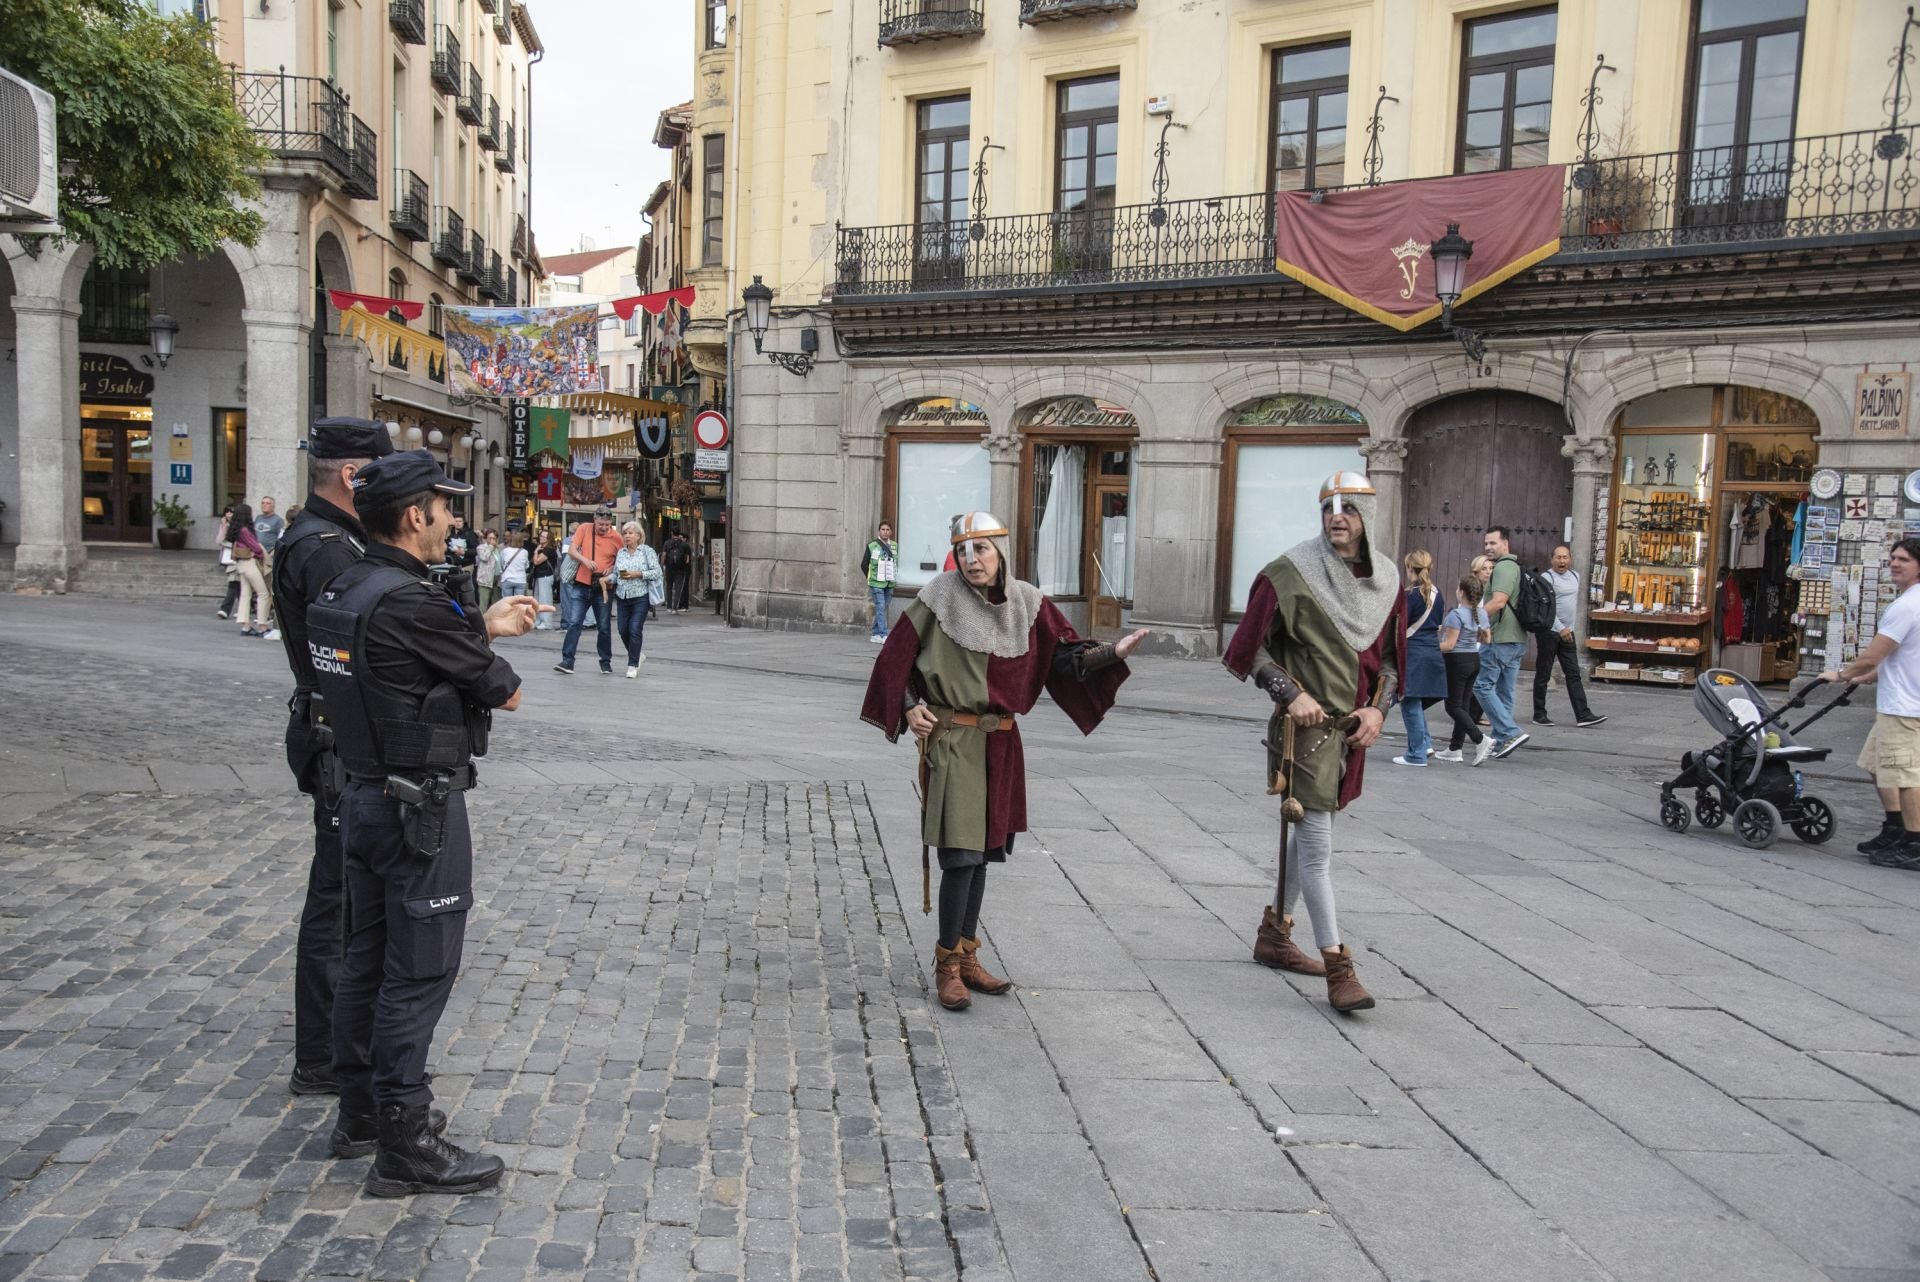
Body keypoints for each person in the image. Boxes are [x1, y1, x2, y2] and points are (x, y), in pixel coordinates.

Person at [307, 449, 546, 1196]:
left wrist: (477, 623)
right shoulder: (414, 601)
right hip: (420, 813)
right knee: (419, 971)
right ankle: (405, 1142)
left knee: (366, 957)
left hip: (364, 797)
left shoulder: (348, 584)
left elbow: (399, 657)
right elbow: (502, 692)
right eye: (443, 509)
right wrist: (484, 638)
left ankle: (362, 1114)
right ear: (415, 517)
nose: (451, 520)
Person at [861, 512, 1143, 1011]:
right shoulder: (937, 597)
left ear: (1001, 552)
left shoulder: (1029, 602)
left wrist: (1112, 652)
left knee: (985, 852)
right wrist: (909, 704)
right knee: (961, 855)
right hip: (953, 740)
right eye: (964, 550)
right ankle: (947, 964)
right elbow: (895, 659)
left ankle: (968, 955)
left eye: (982, 549)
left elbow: (1067, 660)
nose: (973, 560)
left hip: (1002, 743)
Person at [1223, 471, 1401, 1013]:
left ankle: (1274, 936)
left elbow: (1392, 661)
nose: (1337, 517)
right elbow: (1246, 650)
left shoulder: (1388, 581)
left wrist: (1379, 706)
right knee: (1319, 847)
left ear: (1368, 517)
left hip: (1352, 732)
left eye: (1348, 509)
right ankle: (1338, 968)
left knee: (1307, 833)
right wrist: (1289, 691)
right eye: (1329, 508)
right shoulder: (1287, 573)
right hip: (1306, 734)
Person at [269, 417, 394, 1099]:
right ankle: (322, 1054)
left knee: (347, 900)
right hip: (337, 738)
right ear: (353, 475)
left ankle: (337, 1044)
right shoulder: (324, 548)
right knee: (337, 903)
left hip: (335, 734)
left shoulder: (332, 539)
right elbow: (358, 650)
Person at [1826, 537, 1920, 867]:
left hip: (1904, 707)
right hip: (1902, 700)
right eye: (1893, 558)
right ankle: (1895, 826)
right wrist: (1869, 676)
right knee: (1878, 766)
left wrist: (1841, 674)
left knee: (1905, 776)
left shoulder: (1906, 606)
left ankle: (1914, 843)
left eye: (1904, 559)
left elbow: (1873, 655)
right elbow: (1904, 657)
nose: (1895, 564)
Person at [1533, 543, 1606, 729]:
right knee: (1544, 673)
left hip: (1568, 633)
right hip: (1549, 632)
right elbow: (1545, 608)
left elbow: (1571, 604)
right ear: (1552, 560)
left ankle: (1583, 714)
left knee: (1573, 673)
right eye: (1558, 557)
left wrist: (1569, 628)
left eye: (1565, 557)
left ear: (1570, 560)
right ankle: (1539, 714)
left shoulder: (1575, 576)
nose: (1562, 561)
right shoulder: (1546, 578)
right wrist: (1559, 627)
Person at [1474, 527, 1531, 760]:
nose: (1488, 547)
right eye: (1486, 543)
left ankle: (1509, 732)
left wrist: (1473, 621)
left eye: (1493, 543)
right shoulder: (1511, 567)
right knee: (1504, 690)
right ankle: (1501, 740)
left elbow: (1498, 602)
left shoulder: (1505, 567)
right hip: (1515, 638)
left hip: (1500, 637)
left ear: (1505, 543)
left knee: (1481, 685)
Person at [1394, 549, 1446, 766]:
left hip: (1413, 653)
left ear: (1409, 568)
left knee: (1410, 702)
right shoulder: (1437, 593)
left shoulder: (1410, 595)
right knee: (1415, 702)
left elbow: (1399, 627)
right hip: (1432, 650)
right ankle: (1425, 744)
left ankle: (1416, 754)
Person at [556, 511, 621, 674]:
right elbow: (572, 550)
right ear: (595, 520)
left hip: (603, 587)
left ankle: (605, 661)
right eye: (601, 524)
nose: (604, 528)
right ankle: (567, 661)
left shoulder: (616, 537)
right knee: (574, 622)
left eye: (607, 525)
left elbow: (622, 559)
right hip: (582, 583)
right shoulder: (584, 529)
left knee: (604, 626)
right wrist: (585, 560)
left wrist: (612, 568)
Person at [1435, 575, 1491, 764]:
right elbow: (1486, 640)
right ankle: (1455, 748)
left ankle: (1480, 739)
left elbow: (1449, 645)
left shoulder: (1456, 615)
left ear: (1462, 592)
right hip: (1474, 660)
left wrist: (1431, 646)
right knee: (1463, 706)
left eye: (1458, 588)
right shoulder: (1482, 613)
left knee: (1452, 706)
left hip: (1457, 661)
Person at [613, 521, 663, 677]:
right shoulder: (621, 552)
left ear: (638, 535)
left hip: (640, 596)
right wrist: (606, 579)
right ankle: (637, 655)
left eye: (630, 533)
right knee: (622, 630)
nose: (627, 536)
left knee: (635, 629)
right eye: (625, 533)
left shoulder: (646, 551)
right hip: (622, 596)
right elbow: (617, 574)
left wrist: (639, 574)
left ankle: (632, 664)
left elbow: (657, 572)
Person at [229, 503, 273, 637]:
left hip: (241, 564)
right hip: (250, 563)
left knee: (245, 594)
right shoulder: (245, 530)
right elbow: (257, 549)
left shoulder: (236, 530)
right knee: (263, 594)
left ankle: (245, 625)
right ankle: (262, 625)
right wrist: (259, 553)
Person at [863, 521, 898, 643]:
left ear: (891, 532)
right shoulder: (872, 545)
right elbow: (864, 564)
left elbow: (895, 563)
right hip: (876, 583)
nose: (885, 532)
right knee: (881, 606)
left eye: (888, 529)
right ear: (879, 531)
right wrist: (870, 577)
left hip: (889, 582)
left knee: (882, 608)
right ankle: (883, 634)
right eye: (883, 529)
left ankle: (875, 634)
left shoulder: (894, 545)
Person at [215, 504, 241, 621]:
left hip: (238, 557)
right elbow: (219, 540)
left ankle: (226, 609)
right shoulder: (225, 525)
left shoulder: (241, 526)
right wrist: (224, 526)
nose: (229, 514)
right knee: (237, 584)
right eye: (227, 512)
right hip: (229, 558)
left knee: (234, 583)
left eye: (232, 512)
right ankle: (242, 609)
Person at [528, 528, 557, 629]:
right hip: (539, 576)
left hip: (545, 576)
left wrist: (536, 551)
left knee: (545, 599)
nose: (541, 538)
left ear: (548, 539)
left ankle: (546, 622)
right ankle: (539, 620)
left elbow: (536, 561)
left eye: (543, 537)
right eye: (540, 536)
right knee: (538, 599)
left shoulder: (549, 550)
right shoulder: (543, 549)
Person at [663, 526, 694, 614]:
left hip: (669, 568)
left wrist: (662, 565)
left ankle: (669, 607)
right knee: (678, 588)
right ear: (679, 533)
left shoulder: (667, 543)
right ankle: (675, 608)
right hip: (680, 569)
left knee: (669, 587)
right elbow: (687, 559)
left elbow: (664, 555)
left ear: (672, 533)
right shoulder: (685, 545)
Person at [496, 530, 529, 603]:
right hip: (520, 579)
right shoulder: (525, 552)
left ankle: (508, 614)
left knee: (507, 603)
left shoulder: (505, 551)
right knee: (519, 603)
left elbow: (501, 564)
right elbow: (526, 566)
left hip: (507, 578)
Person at [255, 496, 286, 564]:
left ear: (273, 506)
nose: (264, 505)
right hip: (256, 555)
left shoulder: (278, 520)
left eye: (267, 503)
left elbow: (282, 540)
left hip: (269, 555)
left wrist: (271, 555)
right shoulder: (258, 518)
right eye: (262, 503)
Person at [473, 529, 499, 609]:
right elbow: (484, 557)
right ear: (486, 538)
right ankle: (482, 621)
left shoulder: (497, 549)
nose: (492, 540)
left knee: (495, 605)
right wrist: (490, 547)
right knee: (483, 605)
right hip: (485, 579)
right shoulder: (481, 547)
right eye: (489, 538)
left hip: (496, 580)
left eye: (493, 538)